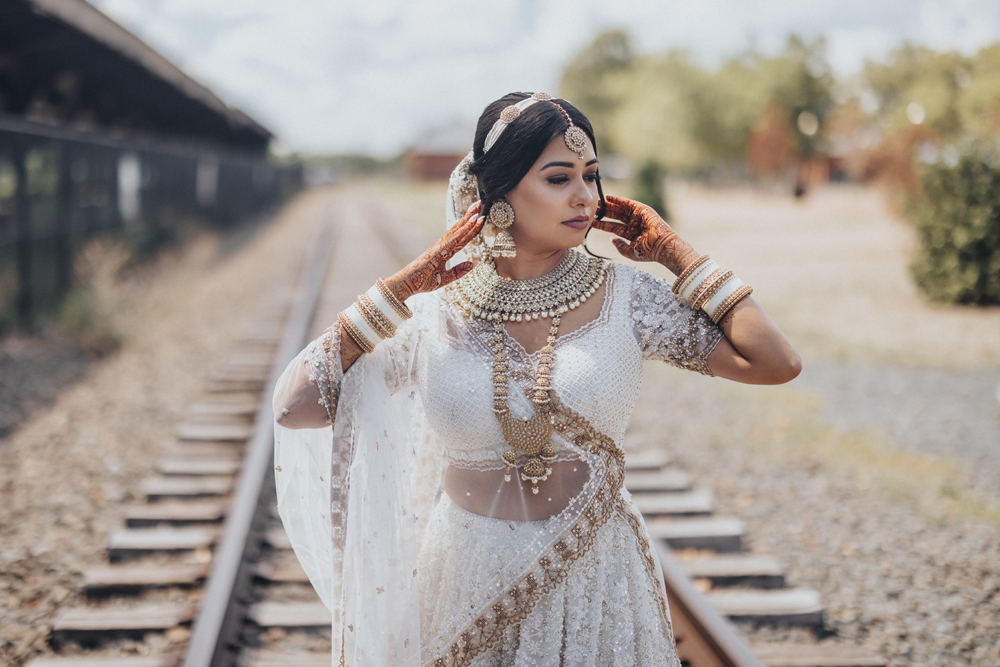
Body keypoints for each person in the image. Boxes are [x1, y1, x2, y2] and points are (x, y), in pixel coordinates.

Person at [272, 92, 801, 666]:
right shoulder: (434, 311)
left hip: (592, 576)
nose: (586, 196)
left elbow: (775, 363)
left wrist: (677, 256)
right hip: (461, 577)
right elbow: (294, 405)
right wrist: (400, 289)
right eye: (558, 178)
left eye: (592, 176)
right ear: (498, 194)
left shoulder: (626, 298)